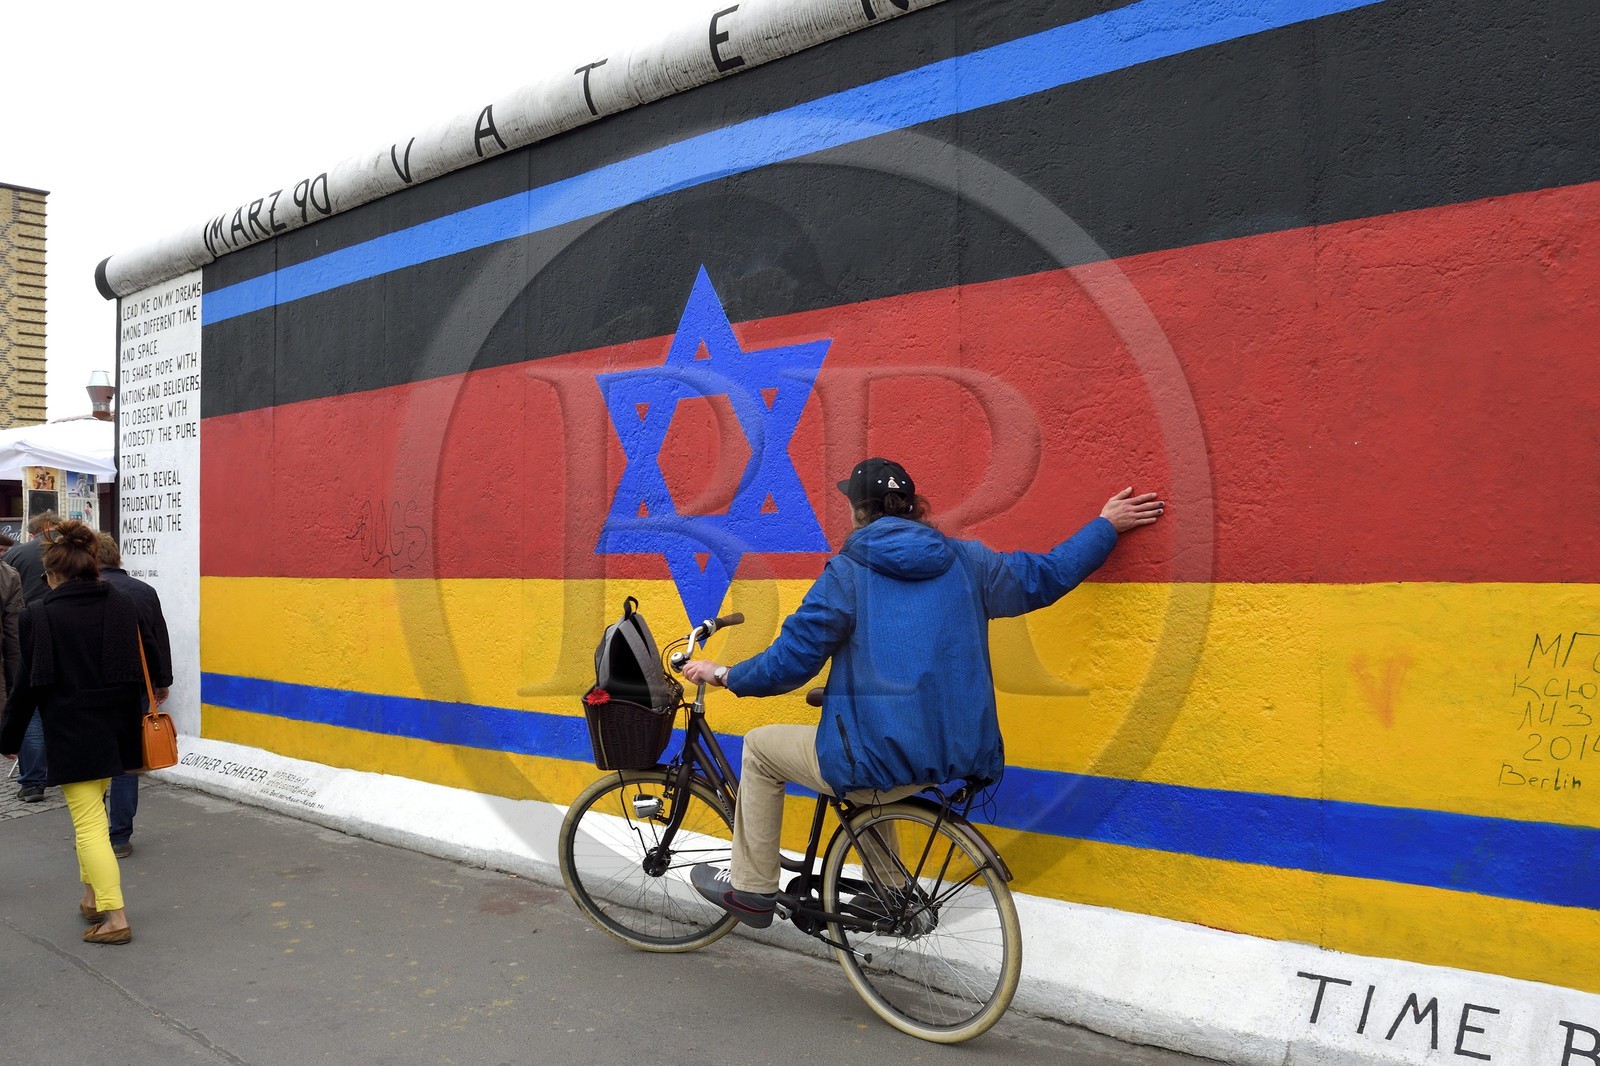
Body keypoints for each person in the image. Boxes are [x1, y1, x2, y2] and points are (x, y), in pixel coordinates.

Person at [683, 458, 1164, 926]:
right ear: (914, 508)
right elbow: (1048, 576)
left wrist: (725, 675)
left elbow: (789, 664)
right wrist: (1105, 526)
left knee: (763, 750)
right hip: (956, 753)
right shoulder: (969, 562)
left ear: (859, 511)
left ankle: (752, 890)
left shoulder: (846, 574)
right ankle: (887, 891)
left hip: (881, 758)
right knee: (870, 762)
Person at [0, 520, 159, 945]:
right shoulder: (121, 603)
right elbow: (134, 667)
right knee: (92, 817)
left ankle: (115, 916)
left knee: (89, 824)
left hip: (73, 731)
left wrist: (9, 739)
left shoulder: (39, 615)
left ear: (51, 575)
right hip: (116, 727)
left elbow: (28, 687)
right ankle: (91, 898)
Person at [96, 532, 172, 858]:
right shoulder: (144, 591)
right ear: (117, 557)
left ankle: (95, 833)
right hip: (135, 686)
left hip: (94, 688)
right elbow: (158, 638)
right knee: (128, 764)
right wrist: (162, 680)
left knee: (96, 763)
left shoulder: (85, 594)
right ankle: (120, 836)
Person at [6, 512, 59, 802]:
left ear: (36, 530)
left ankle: (33, 783)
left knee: (33, 707)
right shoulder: (71, 552)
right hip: (67, 630)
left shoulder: (16, 553)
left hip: (27, 632)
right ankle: (70, 770)